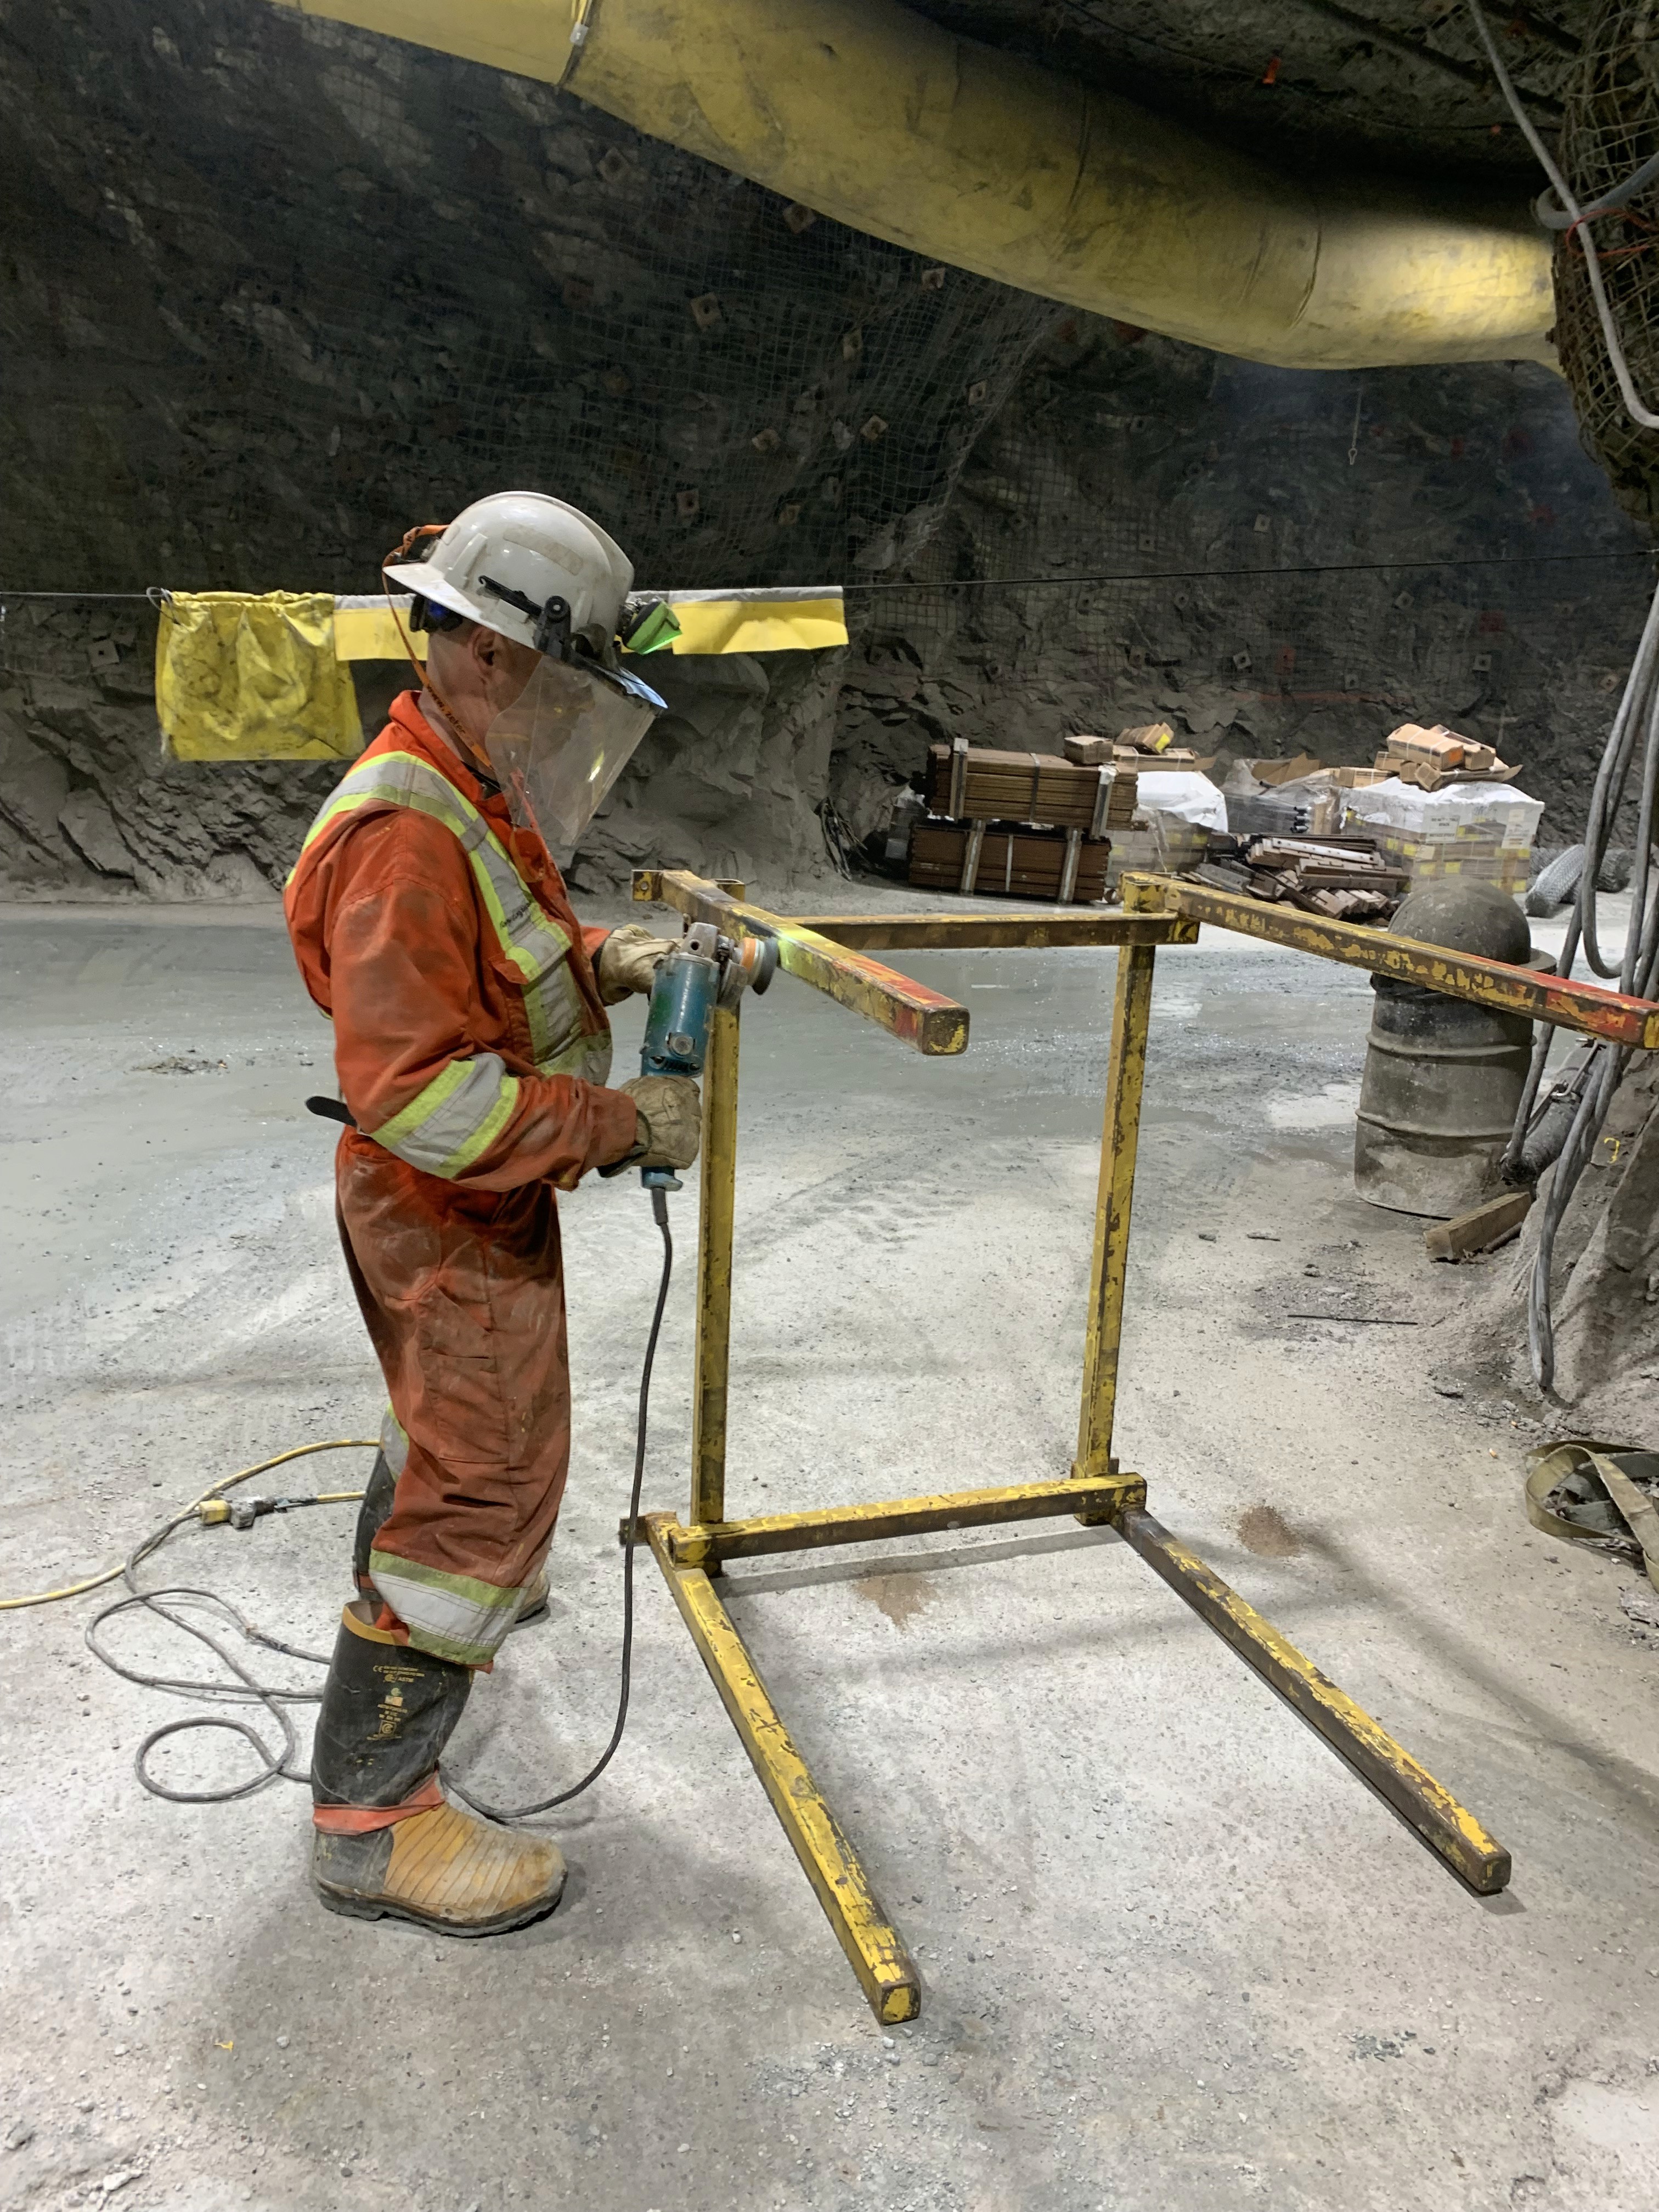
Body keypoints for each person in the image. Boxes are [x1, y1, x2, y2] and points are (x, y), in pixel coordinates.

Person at [283, 491, 695, 1936]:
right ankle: (374, 1820)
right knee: (485, 1485)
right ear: (502, 657)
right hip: (443, 1199)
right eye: (576, 680)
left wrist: (606, 958)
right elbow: (422, 1095)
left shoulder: (454, 781)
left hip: (462, 1207)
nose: (576, 714)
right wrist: (614, 1121)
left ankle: (419, 1626)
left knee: (437, 1436)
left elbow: (498, 954)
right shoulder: (404, 832)